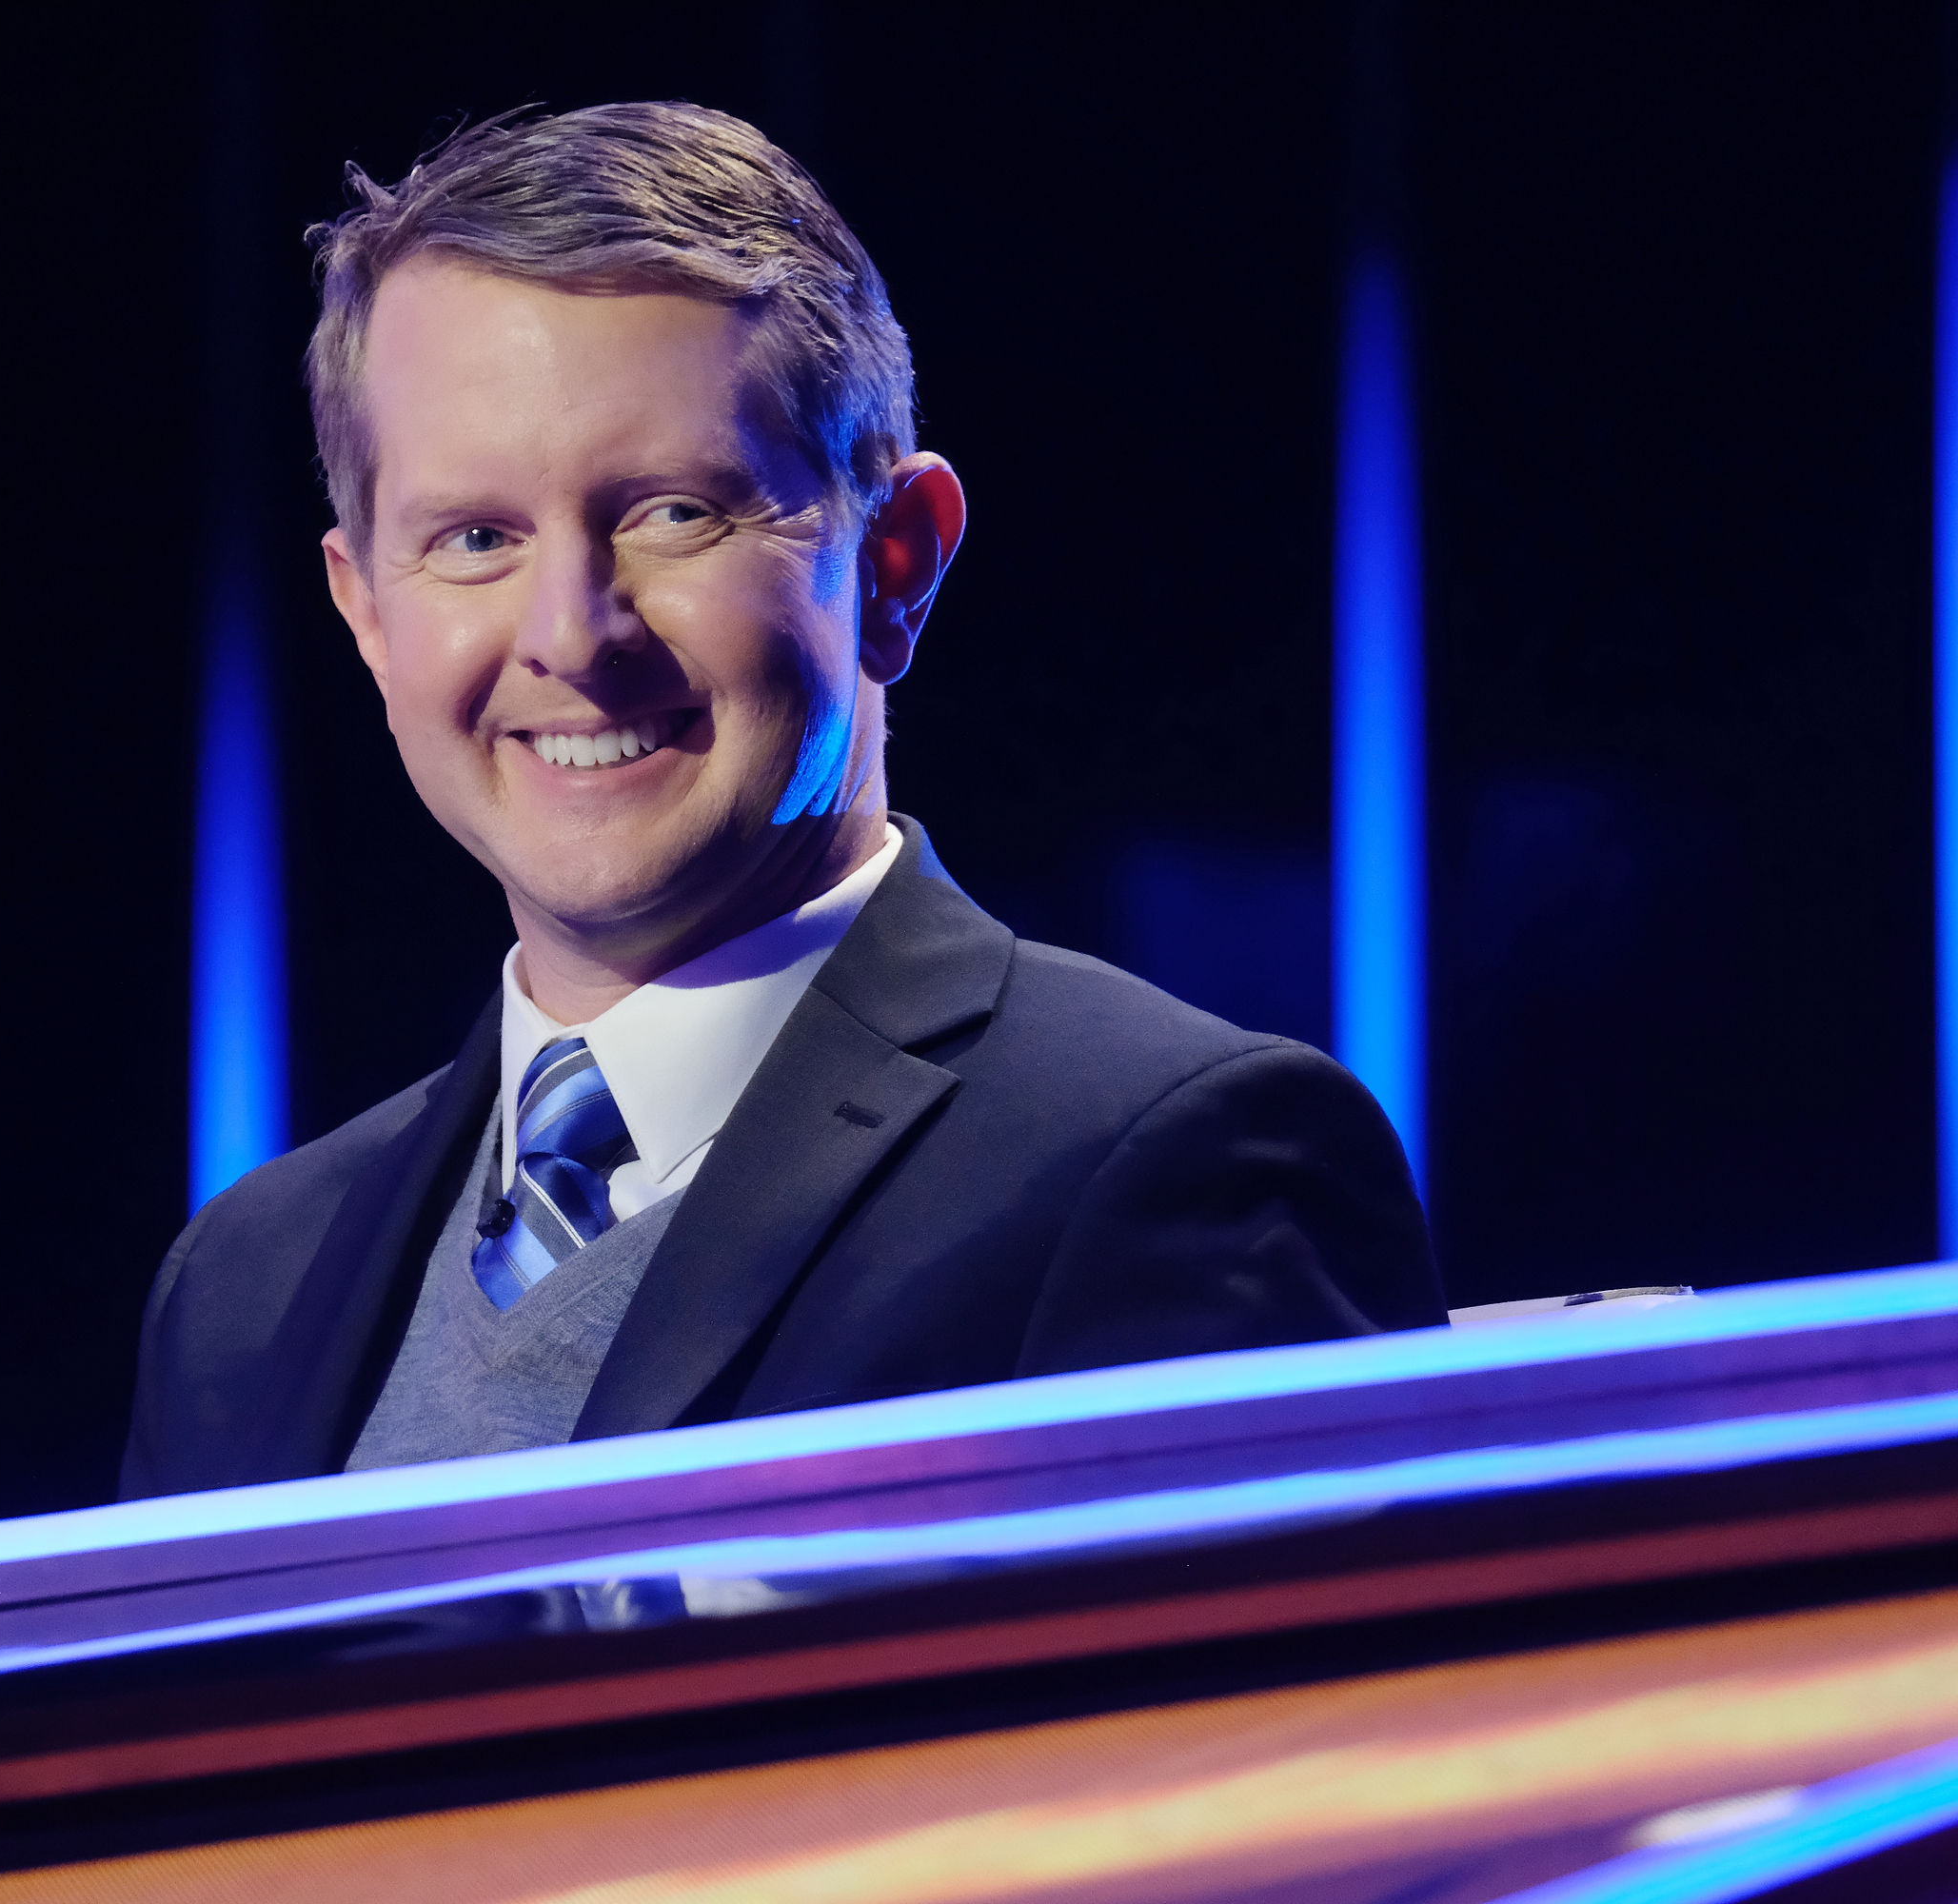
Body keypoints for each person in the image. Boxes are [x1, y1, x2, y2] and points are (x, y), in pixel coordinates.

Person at [119, 103, 1439, 1500]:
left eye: (674, 512)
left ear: (897, 561)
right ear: (367, 611)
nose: (571, 634)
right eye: (477, 537)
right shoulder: (243, 1286)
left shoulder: (1175, 1160)